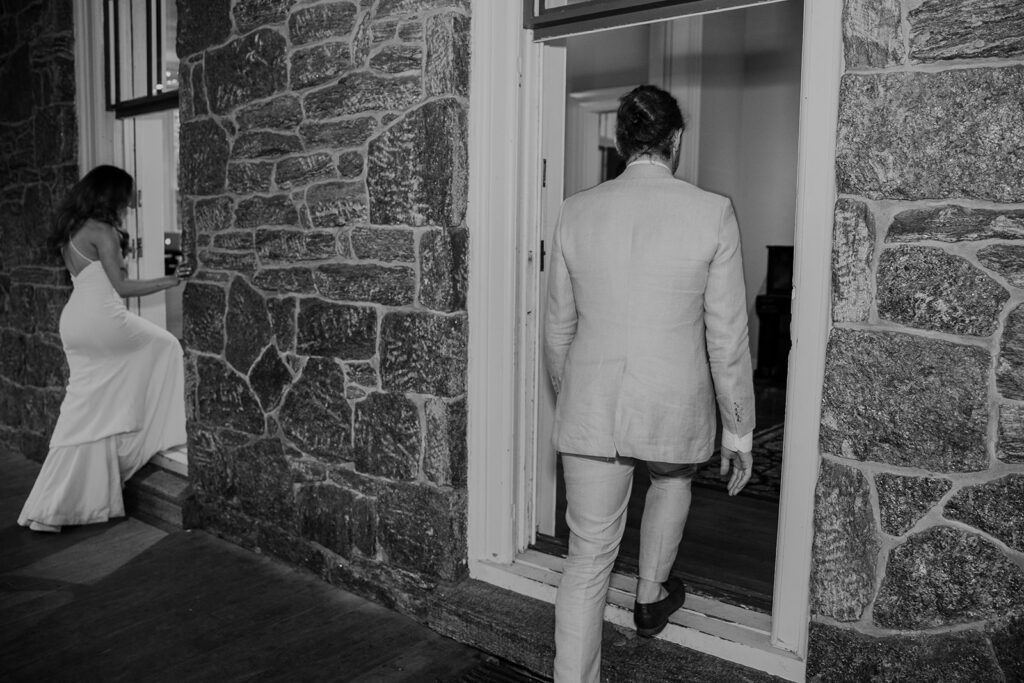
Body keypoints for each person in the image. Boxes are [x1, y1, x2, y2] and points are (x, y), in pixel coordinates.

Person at [545, 85, 755, 682]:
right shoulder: (711, 211)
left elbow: (558, 331)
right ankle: (649, 594)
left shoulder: (575, 210)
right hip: (673, 401)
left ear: (617, 141)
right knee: (671, 478)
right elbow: (728, 335)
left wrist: (575, 400)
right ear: (676, 141)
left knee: (586, 562)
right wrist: (739, 431)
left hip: (591, 405)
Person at [18, 165, 186, 533]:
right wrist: (171, 280)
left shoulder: (72, 230)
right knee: (167, 346)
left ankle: (51, 505)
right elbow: (121, 288)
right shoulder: (104, 231)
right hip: (103, 321)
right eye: (126, 195)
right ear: (112, 196)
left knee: (85, 406)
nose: (129, 202)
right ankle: (160, 437)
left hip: (75, 321)